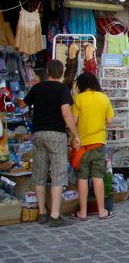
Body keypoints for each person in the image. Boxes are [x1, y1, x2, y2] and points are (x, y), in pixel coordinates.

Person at [16, 60, 80, 227]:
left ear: (47, 71)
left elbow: (22, 104)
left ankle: (42, 212)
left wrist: (15, 100)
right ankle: (55, 215)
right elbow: (66, 113)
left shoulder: (37, 87)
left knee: (39, 173)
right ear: (61, 73)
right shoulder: (62, 89)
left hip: (38, 133)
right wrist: (75, 134)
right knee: (58, 174)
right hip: (56, 134)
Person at [69, 72, 114, 221]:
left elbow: (73, 121)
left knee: (82, 178)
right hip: (98, 143)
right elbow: (110, 121)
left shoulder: (77, 99)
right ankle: (101, 211)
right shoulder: (104, 98)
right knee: (98, 176)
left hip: (81, 146)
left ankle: (82, 212)